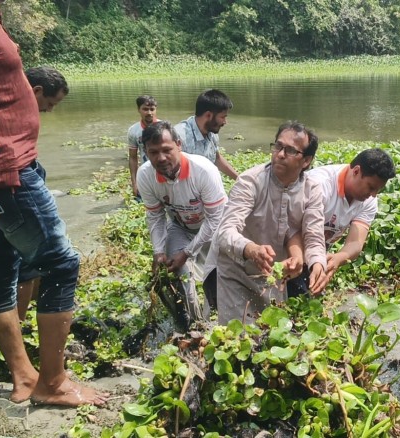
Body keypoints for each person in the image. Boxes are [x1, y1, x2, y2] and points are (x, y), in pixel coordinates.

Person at [0, 2, 107, 406]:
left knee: (0, 269)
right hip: (4, 173)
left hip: (0, 171)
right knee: (61, 263)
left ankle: (24, 377)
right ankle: (54, 383)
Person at [212, 121, 326, 325]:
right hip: (237, 272)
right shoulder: (250, 182)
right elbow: (225, 232)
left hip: (274, 273)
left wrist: (317, 263)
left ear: (306, 160)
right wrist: (250, 249)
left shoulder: (312, 190)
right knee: (235, 338)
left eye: (290, 150)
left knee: (268, 335)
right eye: (278, 146)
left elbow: (314, 235)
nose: (280, 154)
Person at [136, 121, 227, 324]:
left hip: (217, 227)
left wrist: (187, 253)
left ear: (179, 144)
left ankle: (221, 318)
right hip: (181, 226)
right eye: (153, 152)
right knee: (180, 273)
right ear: (146, 152)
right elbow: (156, 216)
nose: (161, 158)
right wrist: (159, 251)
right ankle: (195, 323)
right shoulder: (145, 175)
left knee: (218, 277)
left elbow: (215, 219)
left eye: (167, 150)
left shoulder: (203, 170)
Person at [294, 148, 396, 294]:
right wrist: (311, 261)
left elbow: (355, 242)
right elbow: (291, 230)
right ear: (356, 171)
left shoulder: (368, 200)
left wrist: (337, 259)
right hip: (290, 245)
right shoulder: (320, 185)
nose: (373, 195)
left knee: (309, 298)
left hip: (318, 250)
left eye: (378, 190)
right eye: (371, 187)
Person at [15, 66, 69, 322]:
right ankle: (22, 322)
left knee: (12, 266)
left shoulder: (7, 107)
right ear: (36, 91)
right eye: (49, 102)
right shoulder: (15, 115)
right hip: (17, 191)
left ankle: (21, 320)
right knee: (51, 261)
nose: (50, 110)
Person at [174, 89, 239, 180]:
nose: (225, 122)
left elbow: (216, 158)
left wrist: (239, 178)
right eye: (223, 117)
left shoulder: (212, 132)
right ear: (208, 115)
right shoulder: (179, 136)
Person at [128, 95, 159, 198]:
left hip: (163, 172)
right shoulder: (133, 131)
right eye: (145, 109)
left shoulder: (164, 128)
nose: (149, 113)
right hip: (146, 173)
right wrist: (135, 183)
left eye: (152, 109)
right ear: (139, 110)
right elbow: (133, 158)